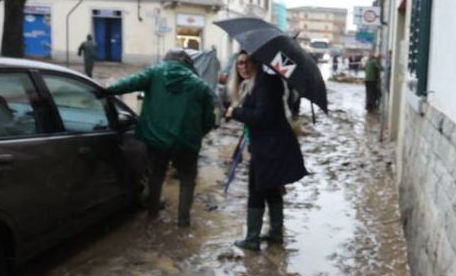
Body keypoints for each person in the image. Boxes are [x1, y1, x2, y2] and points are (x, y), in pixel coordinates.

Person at [106, 48, 215, 227]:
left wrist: (107, 90)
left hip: (156, 141)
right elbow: (209, 120)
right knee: (187, 181)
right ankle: (183, 221)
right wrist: (196, 133)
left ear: (166, 60)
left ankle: (153, 214)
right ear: (188, 64)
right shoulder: (200, 85)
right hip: (186, 144)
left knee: (156, 176)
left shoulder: (154, 73)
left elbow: (130, 83)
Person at [225, 49, 309, 250]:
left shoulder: (265, 84)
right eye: (240, 63)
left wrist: (235, 112)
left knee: (256, 190)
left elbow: (262, 117)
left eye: (248, 62)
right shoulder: (255, 84)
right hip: (268, 145)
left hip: (271, 148)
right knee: (271, 187)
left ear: (257, 63)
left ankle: (252, 239)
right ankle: (275, 233)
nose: (244, 67)